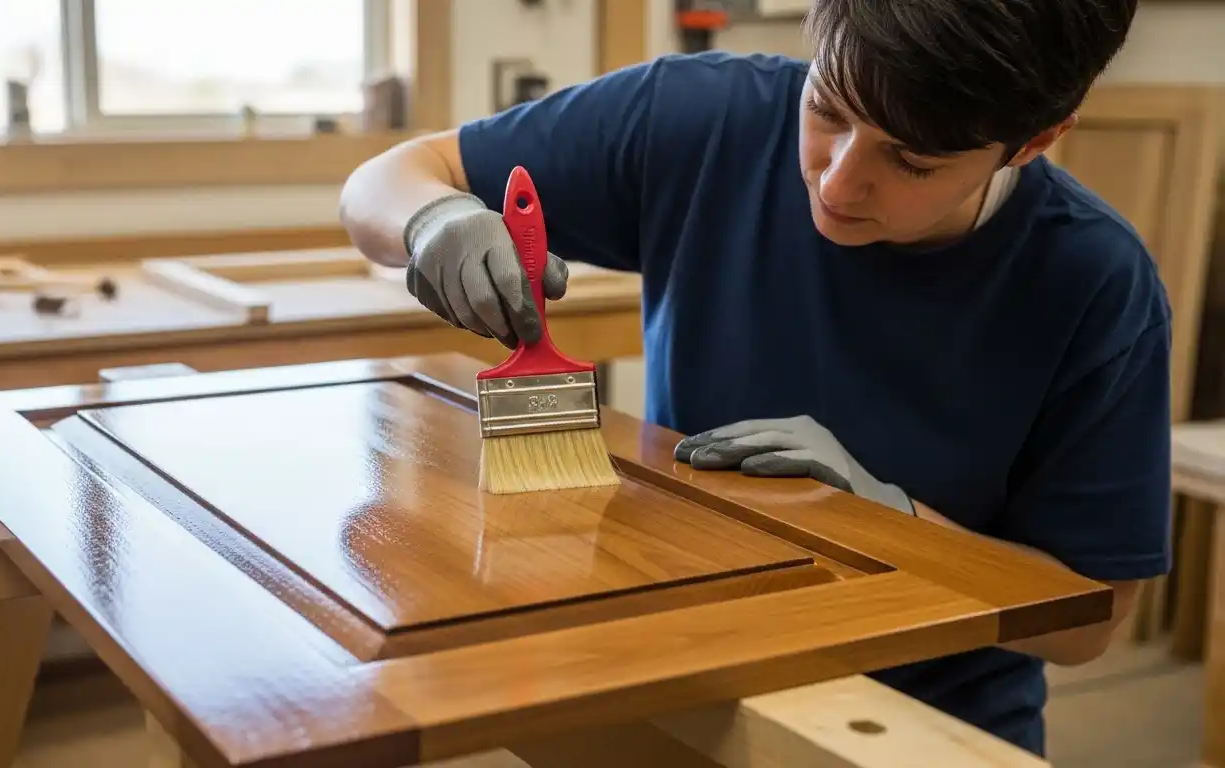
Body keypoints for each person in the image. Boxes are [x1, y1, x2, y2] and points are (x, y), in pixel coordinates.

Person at [338, 0, 1169, 756]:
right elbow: (385, 180)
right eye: (828, 111)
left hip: (920, 725)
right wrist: (435, 220)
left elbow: (1086, 624)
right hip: (676, 675)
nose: (838, 180)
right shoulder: (701, 119)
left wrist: (894, 524)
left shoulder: (1093, 283)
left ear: (1032, 141)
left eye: (911, 160)